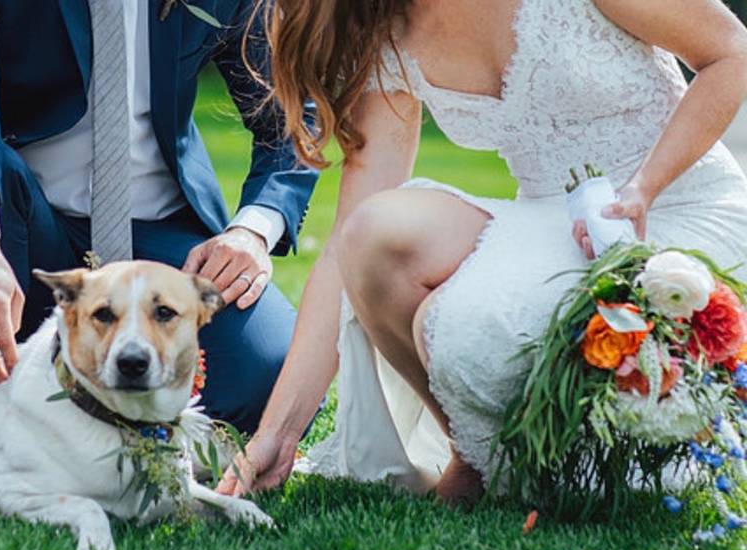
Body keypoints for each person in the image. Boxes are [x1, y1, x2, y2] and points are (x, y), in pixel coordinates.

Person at [217, 0, 747, 502]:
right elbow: (341, 251)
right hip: (552, 225)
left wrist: (643, 188)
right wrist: (277, 433)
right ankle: (475, 454)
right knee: (372, 236)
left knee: (483, 337)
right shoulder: (386, 32)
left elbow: (730, 50)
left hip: (682, 204)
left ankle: (537, 458)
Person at [0, 0, 318, 434]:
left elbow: (289, 109)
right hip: (24, 230)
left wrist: (254, 229)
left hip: (161, 231)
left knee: (272, 381)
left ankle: (108, 429)